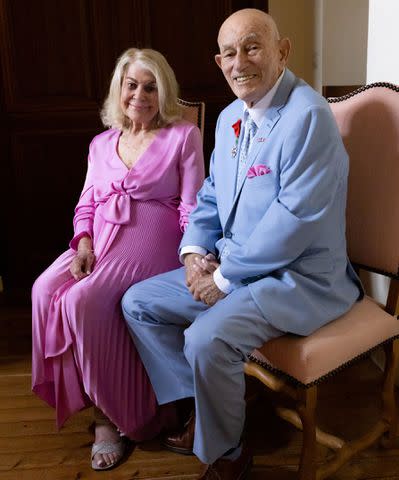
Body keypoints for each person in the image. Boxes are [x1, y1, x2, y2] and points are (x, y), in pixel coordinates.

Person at [122, 9, 363, 480]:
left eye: (252, 47)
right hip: (231, 267)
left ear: (282, 51)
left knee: (205, 339)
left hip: (298, 277)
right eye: (229, 53)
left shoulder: (308, 116)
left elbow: (295, 221)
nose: (239, 62)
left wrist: (223, 277)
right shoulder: (232, 115)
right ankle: (206, 407)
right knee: (138, 303)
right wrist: (193, 254)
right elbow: (210, 195)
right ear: (218, 60)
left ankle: (228, 454)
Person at [31, 47, 204, 471]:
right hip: (100, 238)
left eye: (150, 87)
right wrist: (84, 243)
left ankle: (111, 418)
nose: (139, 95)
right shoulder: (101, 143)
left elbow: (194, 205)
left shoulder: (183, 135)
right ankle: (100, 397)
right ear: (119, 90)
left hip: (155, 235)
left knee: (80, 301)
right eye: (132, 85)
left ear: (163, 92)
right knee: (43, 290)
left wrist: (194, 254)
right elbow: (86, 204)